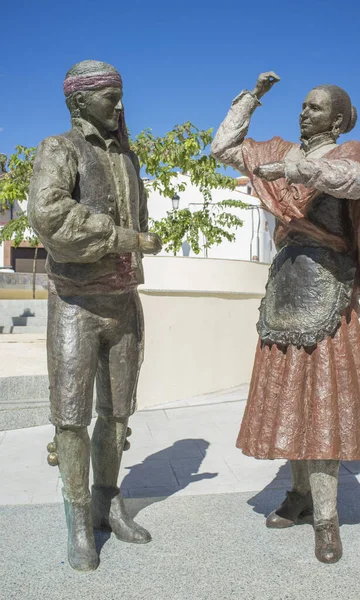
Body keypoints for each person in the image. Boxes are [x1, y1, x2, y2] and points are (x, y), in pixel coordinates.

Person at [211, 72, 360, 564]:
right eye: (303, 105)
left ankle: (327, 518)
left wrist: (294, 168)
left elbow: (356, 183)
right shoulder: (280, 150)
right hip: (286, 290)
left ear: (340, 119)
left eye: (317, 106)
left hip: (327, 292)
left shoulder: (351, 155)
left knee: (322, 406)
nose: (305, 112)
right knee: (291, 402)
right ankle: (299, 495)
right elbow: (223, 148)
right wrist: (252, 98)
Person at [28, 60, 162, 572]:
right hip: (76, 304)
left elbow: (139, 216)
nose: (120, 105)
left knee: (118, 413)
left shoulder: (126, 157)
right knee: (71, 418)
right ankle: (79, 522)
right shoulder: (59, 150)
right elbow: (50, 215)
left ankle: (108, 501)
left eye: (120, 94)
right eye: (110, 95)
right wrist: (122, 238)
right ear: (80, 101)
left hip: (123, 302)